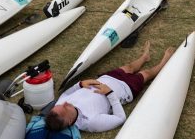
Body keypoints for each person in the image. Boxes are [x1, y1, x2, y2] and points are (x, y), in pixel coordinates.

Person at [44, 42, 174, 133]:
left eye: (61, 105)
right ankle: (164, 62)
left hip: (107, 78)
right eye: (65, 107)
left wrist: (80, 84)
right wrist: (109, 93)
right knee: (145, 74)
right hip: (125, 89)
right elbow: (120, 118)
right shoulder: (91, 122)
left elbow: (66, 93)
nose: (65, 103)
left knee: (129, 67)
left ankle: (144, 57)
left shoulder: (61, 103)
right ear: (70, 121)